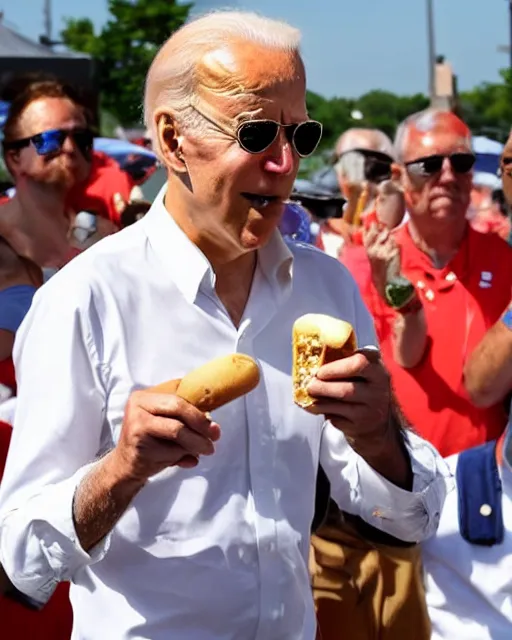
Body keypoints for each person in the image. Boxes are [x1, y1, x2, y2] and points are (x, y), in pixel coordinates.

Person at [0, 12, 449, 640]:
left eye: (302, 134)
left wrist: (378, 436)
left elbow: (409, 517)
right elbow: (18, 558)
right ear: (172, 139)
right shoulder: (84, 299)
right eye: (259, 132)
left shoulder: (325, 288)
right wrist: (120, 468)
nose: (286, 162)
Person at [363, 109, 512, 457]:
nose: (447, 176)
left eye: (461, 162)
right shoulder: (371, 261)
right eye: (429, 165)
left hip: (488, 484)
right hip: (399, 482)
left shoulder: (505, 259)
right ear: (399, 176)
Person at [0, 80, 92, 280]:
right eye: (51, 138)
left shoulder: (99, 233)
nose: (70, 148)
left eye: (81, 138)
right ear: (14, 157)